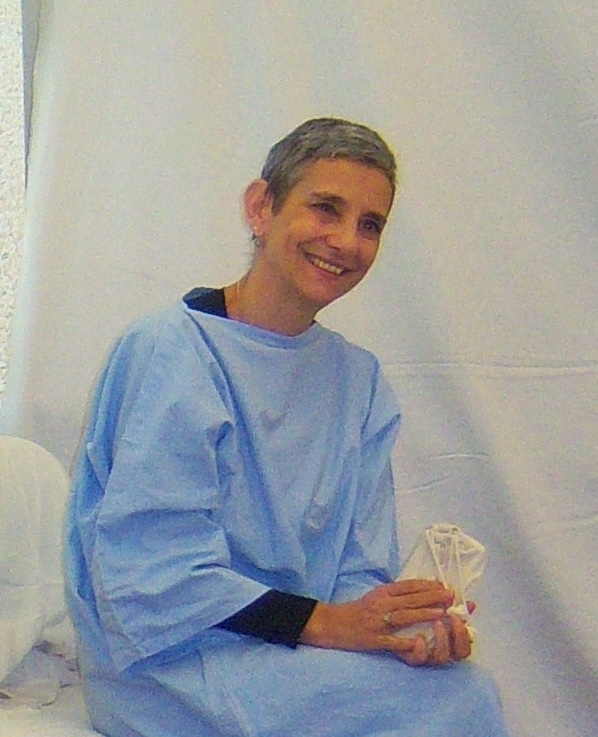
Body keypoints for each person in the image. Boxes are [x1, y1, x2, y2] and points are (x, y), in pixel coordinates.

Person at [65, 118, 510, 737]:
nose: (346, 241)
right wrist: (329, 624)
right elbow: (154, 577)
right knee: (460, 704)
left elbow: (356, 567)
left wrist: (398, 629)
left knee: (453, 686)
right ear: (261, 207)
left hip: (297, 650)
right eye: (326, 208)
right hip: (170, 663)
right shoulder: (172, 350)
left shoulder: (358, 380)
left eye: (370, 225)